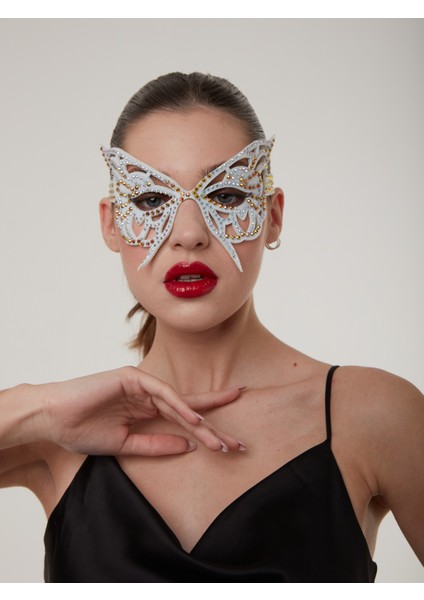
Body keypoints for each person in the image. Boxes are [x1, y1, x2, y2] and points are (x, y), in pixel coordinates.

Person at [0, 72, 423, 583]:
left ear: (273, 216)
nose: (189, 235)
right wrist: (38, 409)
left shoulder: (373, 416)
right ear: (111, 225)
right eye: (151, 201)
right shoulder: (54, 440)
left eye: (224, 195)